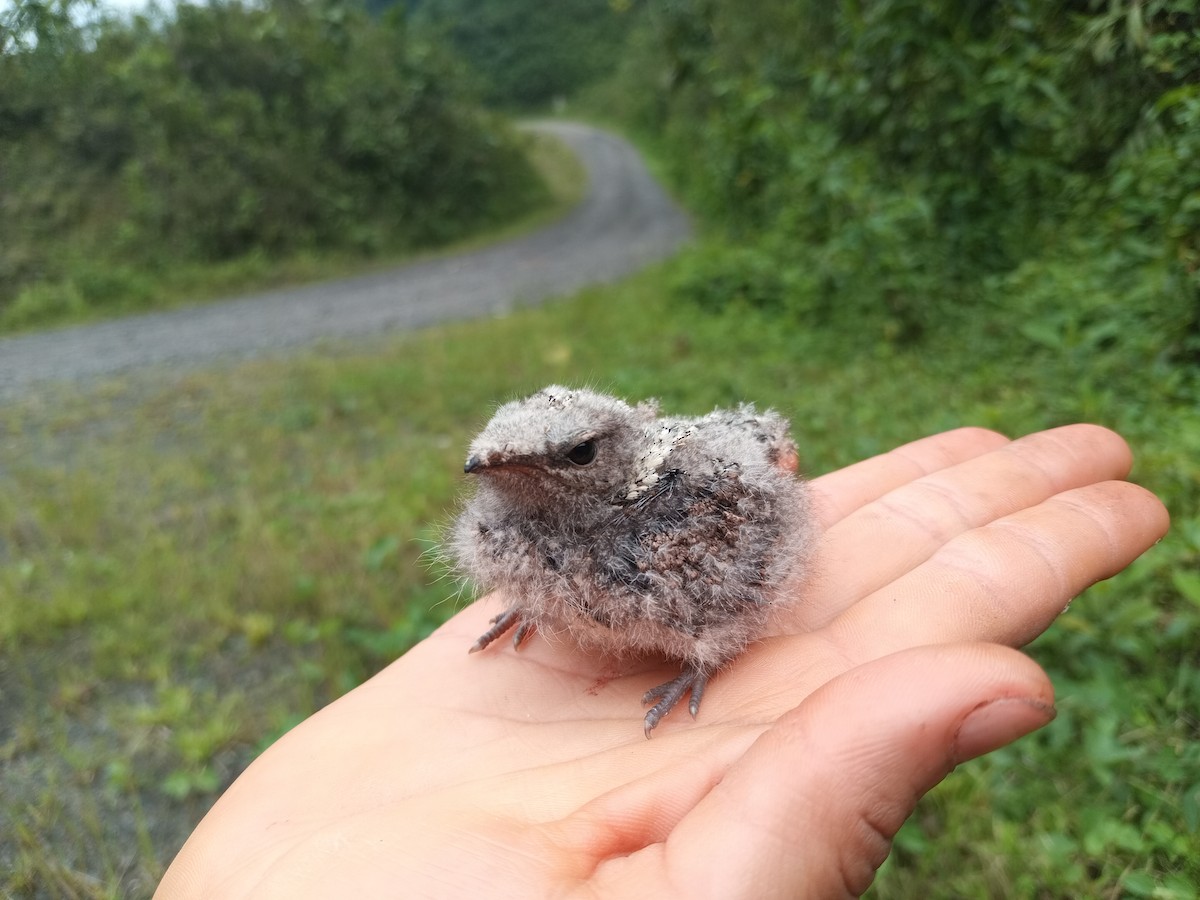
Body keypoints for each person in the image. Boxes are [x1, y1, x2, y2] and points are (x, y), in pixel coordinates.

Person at [154, 424, 1169, 899]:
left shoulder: (691, 516)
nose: (506, 481)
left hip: (695, 564)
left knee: (685, 594)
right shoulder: (512, 531)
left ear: (614, 454)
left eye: (567, 458)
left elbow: (746, 552)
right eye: (497, 466)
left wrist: (702, 654)